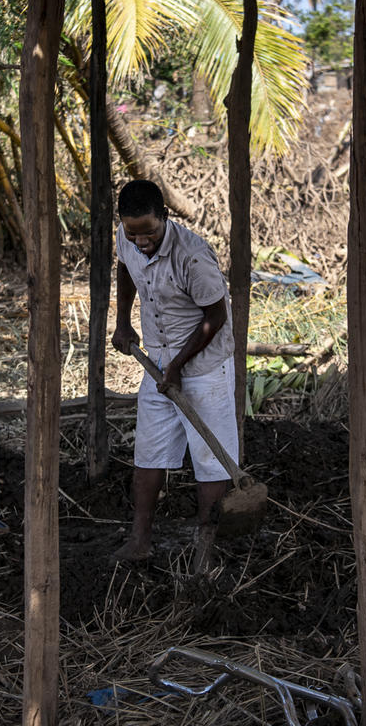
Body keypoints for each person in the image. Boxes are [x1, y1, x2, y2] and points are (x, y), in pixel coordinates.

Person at [110, 179, 239, 563]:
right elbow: (124, 266)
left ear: (164, 218)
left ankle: (206, 549)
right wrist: (122, 322)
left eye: (148, 231)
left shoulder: (194, 257)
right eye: (133, 232)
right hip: (158, 362)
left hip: (204, 369)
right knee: (148, 453)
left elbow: (215, 317)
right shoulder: (126, 236)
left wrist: (180, 366)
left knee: (210, 460)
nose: (141, 240)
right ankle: (140, 540)